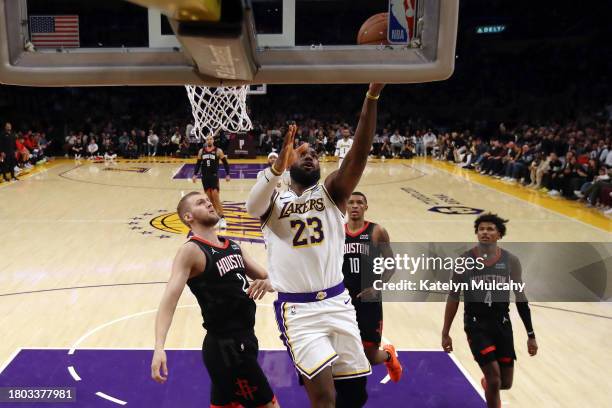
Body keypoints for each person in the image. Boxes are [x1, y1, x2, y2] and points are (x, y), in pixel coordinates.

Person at [246, 84, 385, 408]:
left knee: (355, 396)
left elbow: (358, 155)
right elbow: (252, 207)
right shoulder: (272, 197)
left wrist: (372, 97)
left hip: (338, 303)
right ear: (286, 157)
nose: (309, 156)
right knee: (323, 398)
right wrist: (276, 168)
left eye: (314, 154)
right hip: (298, 311)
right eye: (302, 152)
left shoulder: (332, 193)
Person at [151, 192, 280, 408]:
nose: (209, 204)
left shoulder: (233, 246)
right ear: (188, 217)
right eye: (201, 203)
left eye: (209, 201)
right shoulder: (191, 251)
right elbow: (168, 301)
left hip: (246, 339)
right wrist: (159, 347)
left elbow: (268, 278)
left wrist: (269, 283)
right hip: (226, 346)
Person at [441, 213, 538, 408]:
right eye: (481, 229)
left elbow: (520, 298)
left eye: (490, 229)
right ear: (476, 233)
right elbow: (453, 297)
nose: (485, 232)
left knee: (505, 383)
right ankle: (490, 385)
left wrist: (531, 334)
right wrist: (446, 332)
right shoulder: (464, 261)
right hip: (476, 324)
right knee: (494, 379)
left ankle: (487, 384)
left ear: (499, 234)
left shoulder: (511, 261)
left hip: (502, 324)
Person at [342, 191, 402, 382]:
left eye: (359, 202)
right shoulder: (337, 232)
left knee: (369, 356)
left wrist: (377, 286)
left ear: (366, 207)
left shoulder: (377, 231)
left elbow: (391, 264)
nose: (355, 206)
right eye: (351, 202)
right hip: (342, 300)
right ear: (345, 206)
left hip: (369, 300)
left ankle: (389, 356)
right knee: (341, 351)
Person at [192, 135, 231, 229]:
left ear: (213, 140)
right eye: (208, 139)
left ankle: (223, 219)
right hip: (204, 177)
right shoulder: (201, 151)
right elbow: (198, 164)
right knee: (210, 200)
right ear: (206, 141)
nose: (209, 140)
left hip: (214, 176)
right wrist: (195, 174)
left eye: (211, 139)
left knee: (216, 197)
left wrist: (228, 174)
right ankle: (216, 218)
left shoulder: (218, 151)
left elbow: (225, 163)